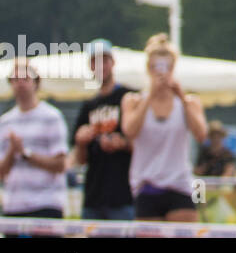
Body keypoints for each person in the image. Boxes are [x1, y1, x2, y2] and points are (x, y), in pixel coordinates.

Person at [121, 33, 208, 222]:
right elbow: (130, 132)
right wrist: (150, 96)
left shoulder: (188, 102)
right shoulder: (134, 101)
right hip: (147, 185)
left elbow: (201, 135)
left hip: (179, 184)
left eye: (166, 67)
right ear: (148, 69)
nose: (161, 73)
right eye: (156, 67)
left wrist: (182, 97)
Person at [71, 39, 135, 221]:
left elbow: (146, 144)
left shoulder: (129, 98)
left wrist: (123, 144)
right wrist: (81, 143)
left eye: (104, 61)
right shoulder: (89, 106)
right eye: (94, 62)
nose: (100, 66)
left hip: (124, 195)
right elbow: (79, 159)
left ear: (112, 62)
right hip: (94, 197)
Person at [0, 58, 69, 221]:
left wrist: (25, 153)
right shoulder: (5, 122)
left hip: (45, 205)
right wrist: (12, 151)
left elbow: (60, 165)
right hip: (14, 206)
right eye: (16, 79)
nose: (20, 84)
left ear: (35, 82)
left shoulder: (52, 117)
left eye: (25, 78)